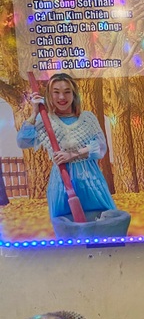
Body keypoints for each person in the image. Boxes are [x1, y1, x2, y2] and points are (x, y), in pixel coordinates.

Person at [17, 73, 117, 219]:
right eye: (56, 92)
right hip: (62, 182)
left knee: (102, 224)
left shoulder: (87, 118)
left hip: (91, 181)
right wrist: (34, 113)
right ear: (49, 95)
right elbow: (22, 142)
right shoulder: (44, 120)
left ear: (74, 94)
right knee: (67, 228)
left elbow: (101, 147)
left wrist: (73, 154)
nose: (62, 97)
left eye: (67, 92)